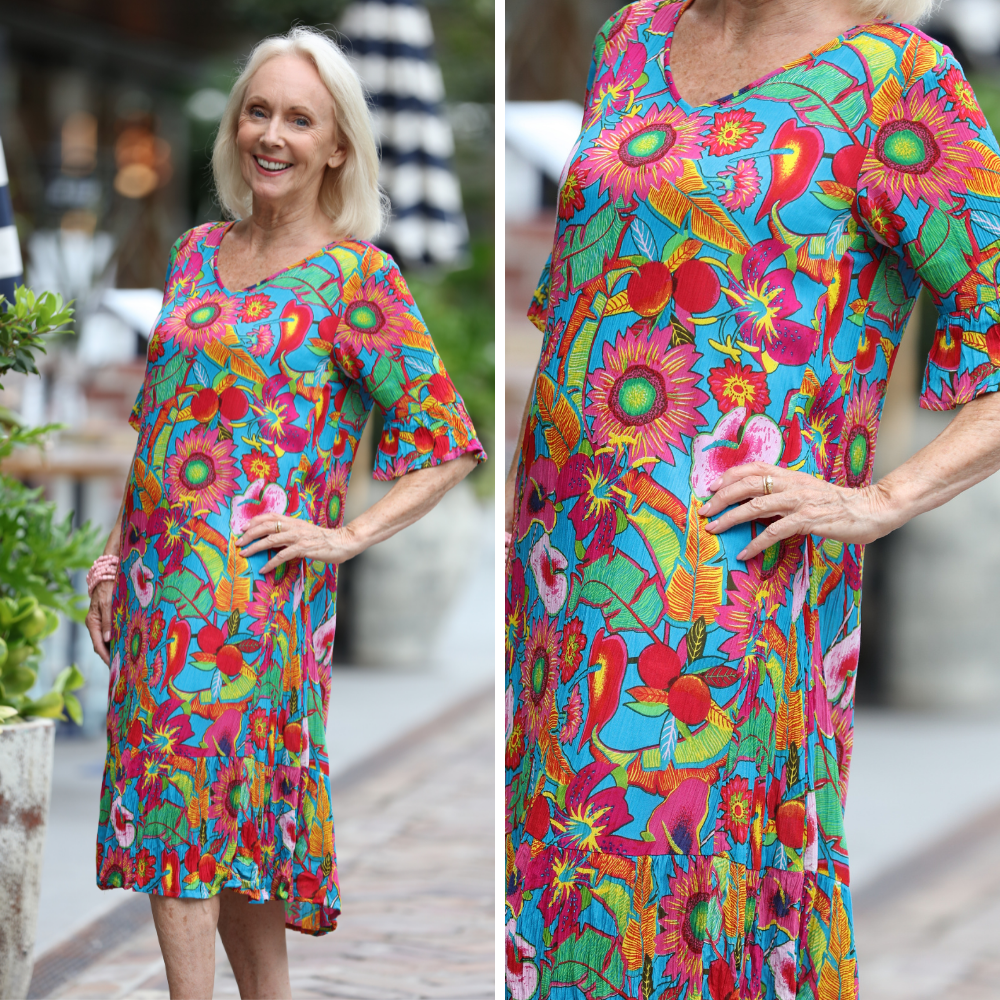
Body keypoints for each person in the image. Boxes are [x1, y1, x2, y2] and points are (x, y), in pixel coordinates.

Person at [504, 0, 1000, 996]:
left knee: (660, 894)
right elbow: (575, 306)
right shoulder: (631, 37)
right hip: (556, 571)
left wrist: (882, 498)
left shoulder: (896, 79)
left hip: (722, 590)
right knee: (557, 891)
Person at [84, 25, 485, 1000]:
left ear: (336, 144)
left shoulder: (358, 280)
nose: (272, 134)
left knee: (214, 825)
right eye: (257, 111)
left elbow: (447, 443)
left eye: (298, 118)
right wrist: (108, 561)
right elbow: (161, 432)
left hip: (260, 607)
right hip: (158, 594)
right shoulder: (191, 253)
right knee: (201, 826)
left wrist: (345, 535)